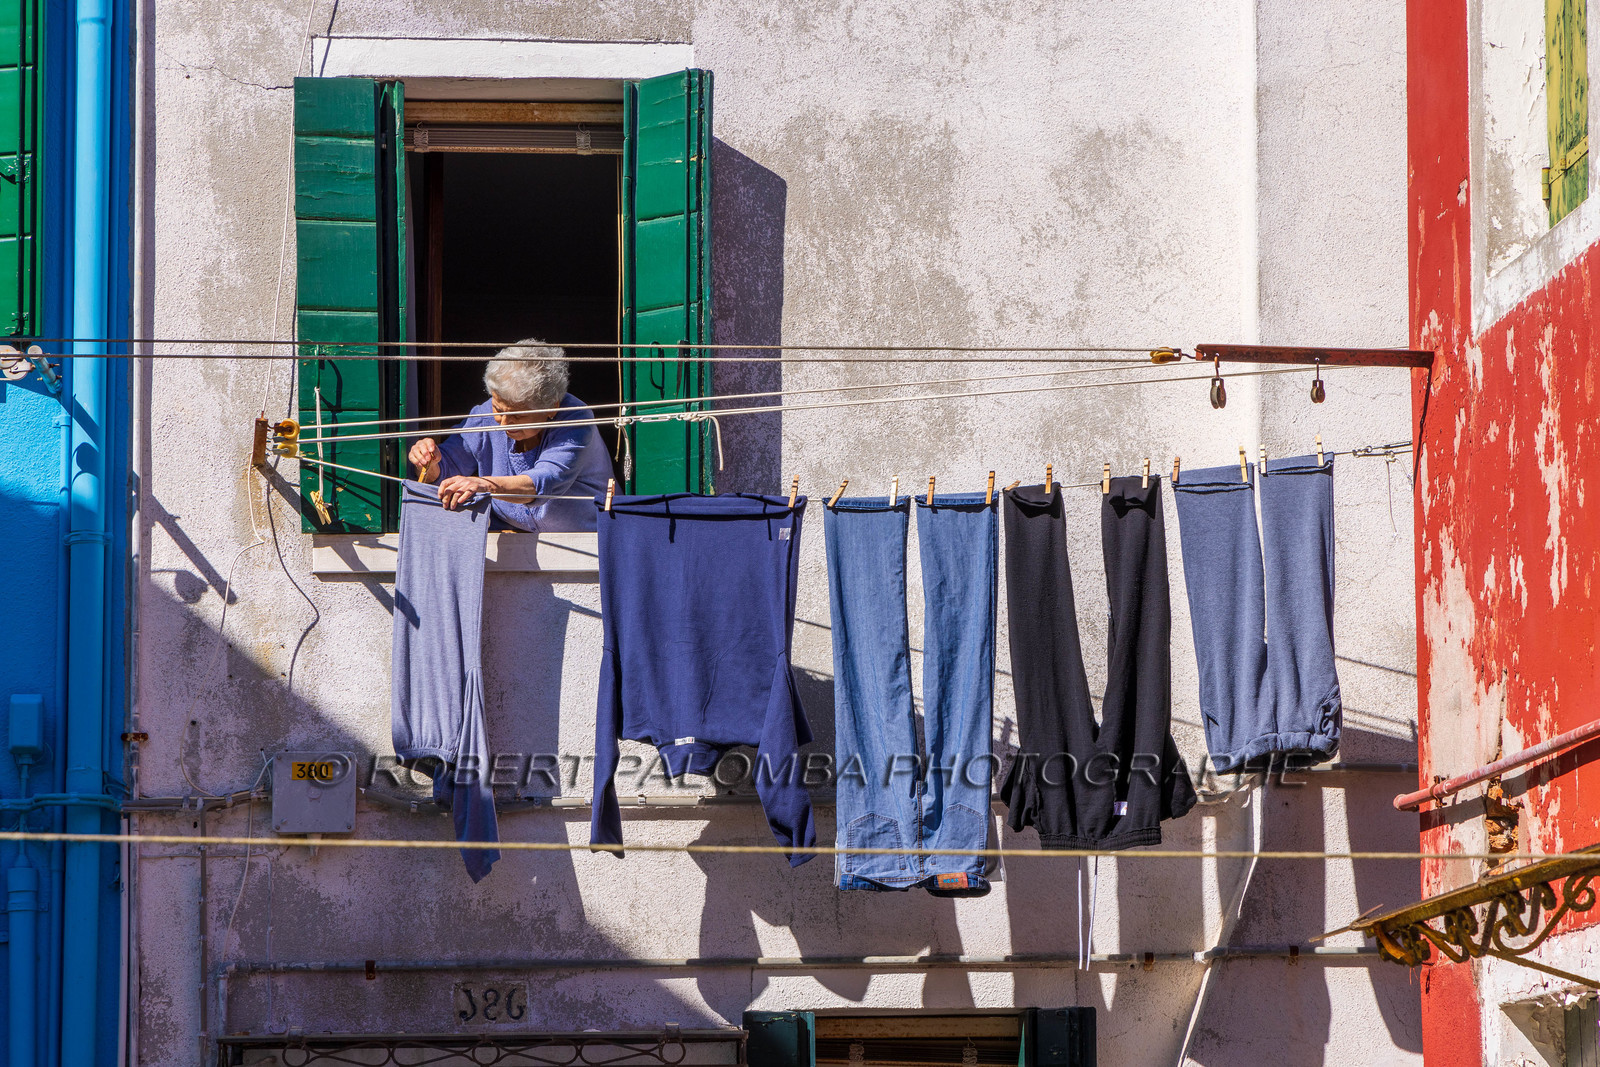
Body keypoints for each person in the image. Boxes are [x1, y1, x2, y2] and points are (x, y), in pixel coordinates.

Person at [407, 339, 614, 532]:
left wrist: (486, 484)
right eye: (498, 409)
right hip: (511, 541)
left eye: (517, 415)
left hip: (589, 541)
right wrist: (428, 462)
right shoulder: (484, 415)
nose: (503, 423)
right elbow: (447, 468)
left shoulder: (576, 419)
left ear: (552, 407)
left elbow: (546, 480)